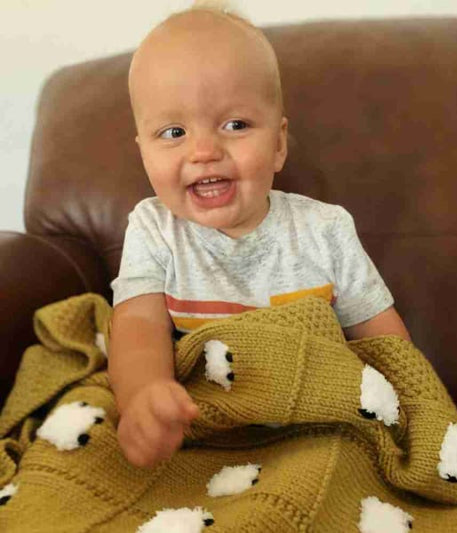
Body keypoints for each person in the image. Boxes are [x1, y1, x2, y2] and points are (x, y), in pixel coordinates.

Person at [109, 1, 411, 469]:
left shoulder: (325, 229)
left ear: (279, 143)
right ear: (143, 152)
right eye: (173, 132)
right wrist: (144, 394)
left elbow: (384, 341)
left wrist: (411, 410)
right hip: (210, 431)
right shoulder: (153, 229)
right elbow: (138, 326)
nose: (205, 151)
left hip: (317, 428)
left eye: (235, 125)